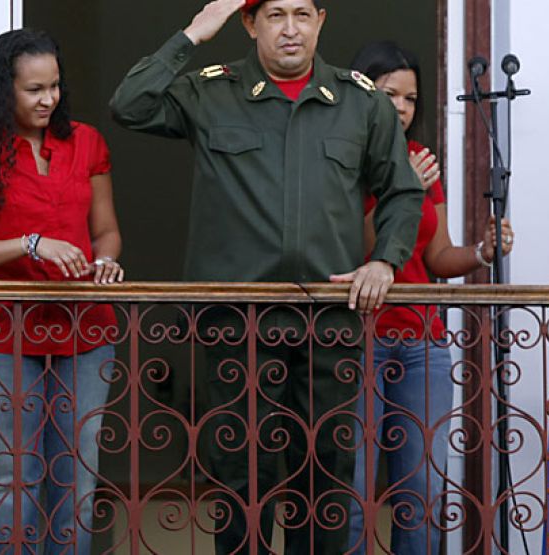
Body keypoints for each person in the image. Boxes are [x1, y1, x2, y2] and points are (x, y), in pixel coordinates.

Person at [110, 1, 424, 553]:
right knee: (241, 478)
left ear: (321, 21)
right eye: (275, 15)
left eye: (302, 14)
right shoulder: (212, 91)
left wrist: (385, 260)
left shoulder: (361, 103)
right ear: (251, 24)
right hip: (237, 322)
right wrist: (193, 34)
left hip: (330, 320)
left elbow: (401, 190)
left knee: (325, 475)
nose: (290, 29)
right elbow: (130, 104)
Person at [0, 29, 123, 555]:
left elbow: (105, 228)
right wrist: (30, 244)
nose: (49, 100)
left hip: (86, 327)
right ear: (4, 90)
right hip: (2, 329)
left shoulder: (86, 142)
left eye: (55, 87)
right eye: (34, 90)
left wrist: (106, 260)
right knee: (14, 480)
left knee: (77, 480)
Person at [345, 41, 514, 554]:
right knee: (349, 495)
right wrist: (405, 191)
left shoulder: (420, 159)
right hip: (359, 339)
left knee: (422, 492)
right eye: (388, 93)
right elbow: (359, 247)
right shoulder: (342, 157)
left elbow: (436, 256)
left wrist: (482, 252)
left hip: (423, 342)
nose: (400, 106)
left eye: (410, 98)